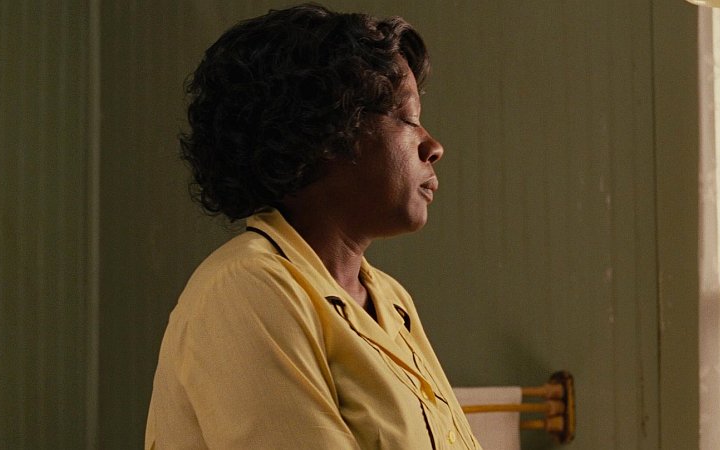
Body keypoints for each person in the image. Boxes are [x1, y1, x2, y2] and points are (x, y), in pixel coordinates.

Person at [145, 4, 481, 449]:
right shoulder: (246, 287)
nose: (433, 146)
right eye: (407, 119)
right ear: (325, 133)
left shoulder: (391, 300)